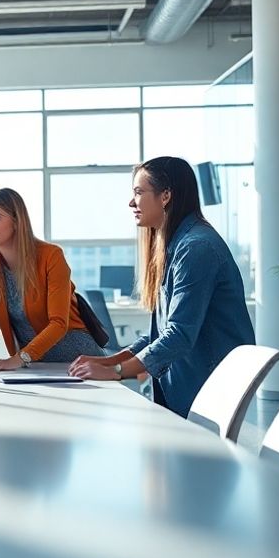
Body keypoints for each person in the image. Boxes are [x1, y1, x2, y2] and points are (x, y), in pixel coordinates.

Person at [70, 157, 255, 416]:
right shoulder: (177, 247)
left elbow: (179, 334)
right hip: (187, 383)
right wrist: (110, 360)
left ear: (166, 195)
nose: (131, 202)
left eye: (139, 192)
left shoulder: (196, 248)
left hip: (206, 386)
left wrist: (116, 372)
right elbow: (159, 333)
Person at [0, 188, 102, 372]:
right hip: (34, 364)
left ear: (16, 221)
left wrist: (19, 358)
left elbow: (58, 323)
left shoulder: (51, 256)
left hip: (76, 359)